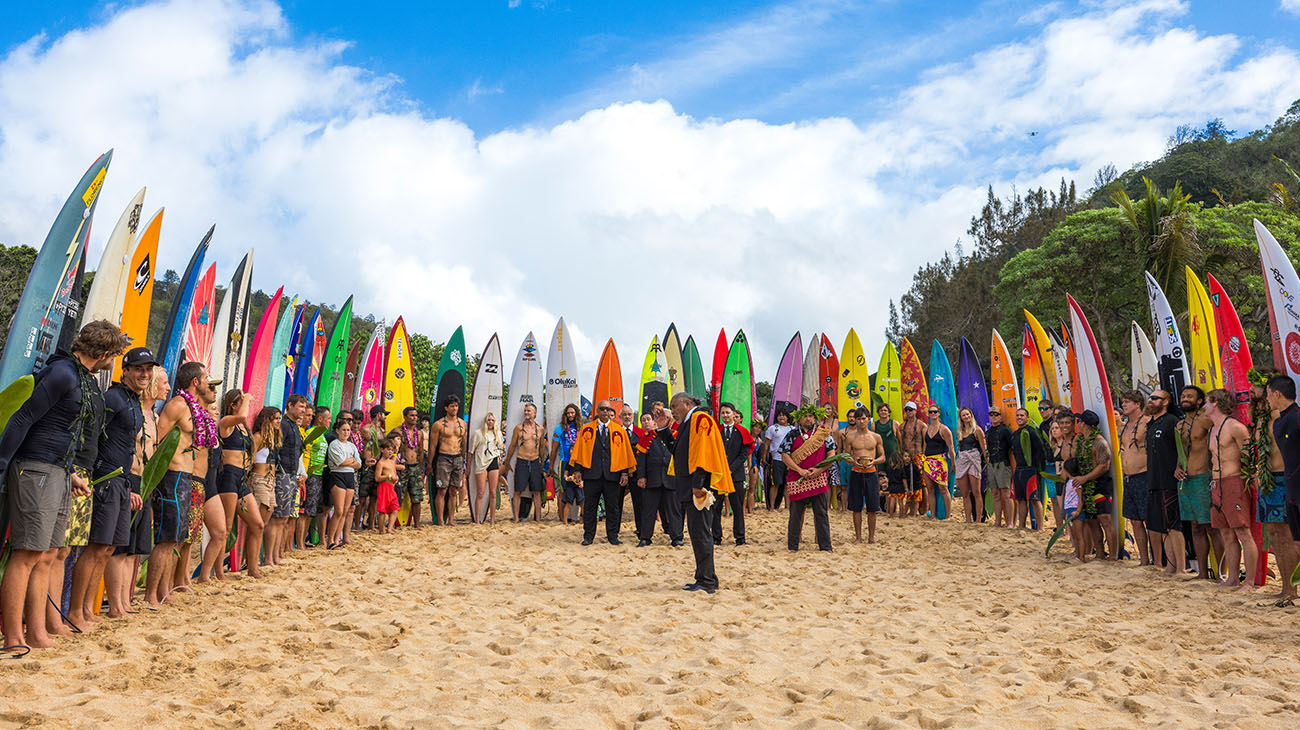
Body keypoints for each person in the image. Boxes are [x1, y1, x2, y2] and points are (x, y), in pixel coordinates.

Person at [0, 321, 127, 651]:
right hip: (35, 468)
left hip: (58, 470)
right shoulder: (62, 373)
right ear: (106, 353)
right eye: (115, 354)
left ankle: (37, 631)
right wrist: (1, 463)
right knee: (26, 554)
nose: (114, 360)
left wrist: (69, 472)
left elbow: (63, 433)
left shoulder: (81, 378)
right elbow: (24, 417)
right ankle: (14, 636)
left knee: (49, 552)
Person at [67, 347, 155, 628]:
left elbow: (127, 448)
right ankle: (75, 612)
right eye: (139, 369)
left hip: (121, 481)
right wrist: (95, 475)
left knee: (108, 549)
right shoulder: (114, 398)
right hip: (104, 480)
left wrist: (128, 485)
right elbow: (92, 436)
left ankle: (88, 610)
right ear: (125, 371)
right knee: (95, 547)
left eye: (148, 369)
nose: (144, 374)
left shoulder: (133, 401)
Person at [147, 361, 215, 606]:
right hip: (172, 477)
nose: (208, 382)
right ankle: (150, 595)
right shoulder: (177, 405)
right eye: (206, 377)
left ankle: (164, 590)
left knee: (175, 538)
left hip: (187, 478)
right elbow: (156, 439)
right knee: (166, 538)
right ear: (195, 382)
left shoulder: (193, 407)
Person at [105, 367, 168, 617]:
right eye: (163, 382)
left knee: (135, 548)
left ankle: (125, 600)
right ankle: (116, 603)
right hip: (127, 477)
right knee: (120, 546)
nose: (168, 386)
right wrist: (129, 484)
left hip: (146, 481)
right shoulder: (134, 411)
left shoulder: (152, 414)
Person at [652, 392, 730, 593]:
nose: (672, 411)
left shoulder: (700, 418)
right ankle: (702, 577)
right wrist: (662, 428)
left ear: (687, 404)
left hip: (699, 487)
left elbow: (703, 453)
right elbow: (678, 452)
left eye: (674, 406)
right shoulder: (689, 422)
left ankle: (708, 581)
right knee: (697, 533)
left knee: (702, 532)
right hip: (689, 486)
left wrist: (698, 484)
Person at [1248, 375, 1297, 600]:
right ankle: (1285, 586)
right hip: (1267, 480)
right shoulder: (1261, 417)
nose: (1252, 393)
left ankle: (1291, 588)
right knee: (1274, 534)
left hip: (1284, 479)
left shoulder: (1282, 415)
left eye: (1258, 390)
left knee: (1287, 536)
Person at [1203, 388, 1257, 590]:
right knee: (1226, 533)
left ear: (1215, 402)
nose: (1204, 406)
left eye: (1207, 402)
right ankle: (1233, 578)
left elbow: (1249, 456)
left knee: (1243, 532)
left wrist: (1251, 481)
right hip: (1216, 484)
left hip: (1233, 481)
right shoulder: (1212, 429)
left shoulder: (1235, 427)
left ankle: (1249, 581)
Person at [569, 400, 635, 545]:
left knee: (613, 507)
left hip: (612, 475)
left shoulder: (619, 430)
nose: (605, 411)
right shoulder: (587, 429)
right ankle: (588, 536)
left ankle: (613, 536)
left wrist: (624, 473)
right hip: (592, 475)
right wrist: (578, 470)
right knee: (590, 507)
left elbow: (624, 453)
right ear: (597, 411)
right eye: (602, 409)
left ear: (611, 412)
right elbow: (580, 450)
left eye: (608, 409)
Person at [1176, 386, 1221, 579]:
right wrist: (1177, 468)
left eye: (1190, 396)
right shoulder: (1178, 426)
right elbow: (1181, 453)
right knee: (1195, 526)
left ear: (1199, 401)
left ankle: (1221, 574)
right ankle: (1202, 573)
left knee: (1212, 526)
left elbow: (1218, 444)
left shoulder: (1206, 420)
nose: (1185, 399)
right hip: (1186, 481)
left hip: (1204, 478)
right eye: (1183, 396)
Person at [780, 406, 837, 551]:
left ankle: (825, 546)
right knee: (795, 514)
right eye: (805, 416)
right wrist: (799, 470)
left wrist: (819, 470)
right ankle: (793, 546)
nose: (808, 419)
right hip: (796, 477)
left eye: (811, 416)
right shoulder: (792, 434)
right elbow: (785, 455)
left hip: (818, 478)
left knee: (821, 513)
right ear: (799, 418)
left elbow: (832, 454)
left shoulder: (823, 434)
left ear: (815, 418)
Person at [1145, 390, 1187, 574]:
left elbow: (1182, 447)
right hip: (1154, 479)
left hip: (1169, 480)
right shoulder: (1152, 424)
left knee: (1174, 525)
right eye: (1150, 398)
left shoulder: (1171, 421)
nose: (1150, 400)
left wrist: (1178, 467)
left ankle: (1181, 568)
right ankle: (1170, 566)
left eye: (1155, 398)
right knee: (1163, 526)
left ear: (1166, 402)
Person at [1267, 374, 1300, 602]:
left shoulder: (1297, 418)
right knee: (1296, 541)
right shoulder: (1279, 421)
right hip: (1292, 487)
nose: (1267, 400)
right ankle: (1291, 589)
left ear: (1277, 394)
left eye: (1268, 395)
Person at [1073, 410, 1117, 558]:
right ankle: (1099, 554)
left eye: (1079, 421)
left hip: (1101, 484)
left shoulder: (1099, 441)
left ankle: (1113, 556)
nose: (1077, 424)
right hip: (1086, 484)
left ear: (1083, 423)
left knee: (1105, 519)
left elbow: (1104, 465)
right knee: (1092, 520)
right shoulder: (1080, 440)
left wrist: (1085, 478)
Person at [271, 395, 309, 562]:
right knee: (278, 517)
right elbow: (276, 450)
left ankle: (279, 551)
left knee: (286, 517)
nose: (303, 410)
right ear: (290, 405)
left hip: (293, 475)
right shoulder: (284, 425)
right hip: (282, 474)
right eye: (300, 407)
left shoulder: (294, 426)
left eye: (304, 407)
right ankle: (272, 555)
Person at [1118, 390, 1153, 565]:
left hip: (1144, 475)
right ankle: (1144, 559)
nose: (1124, 405)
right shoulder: (1124, 426)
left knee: (1148, 519)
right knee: (1135, 520)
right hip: (1128, 477)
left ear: (1138, 404)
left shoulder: (1147, 423)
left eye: (1127, 402)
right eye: (1123, 402)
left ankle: (1157, 558)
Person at [634, 412, 679, 546]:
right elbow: (641, 459)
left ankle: (676, 537)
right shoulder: (647, 437)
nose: (661, 420)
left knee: (673, 510)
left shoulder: (676, 435)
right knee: (648, 510)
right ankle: (645, 537)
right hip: (652, 479)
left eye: (664, 418)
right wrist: (641, 476)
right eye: (658, 418)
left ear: (670, 420)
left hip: (671, 479)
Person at [245, 406, 281, 569]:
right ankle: (250, 561)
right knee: (257, 523)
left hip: (269, 482)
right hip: (259, 480)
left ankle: (255, 559)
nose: (278, 421)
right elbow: (249, 459)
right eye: (275, 418)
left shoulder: (270, 438)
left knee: (264, 522)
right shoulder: (258, 437)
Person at [844, 407, 885, 543]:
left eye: (863, 418)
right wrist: (854, 461)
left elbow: (883, 457)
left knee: (872, 507)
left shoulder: (876, 437)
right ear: (855, 420)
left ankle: (871, 537)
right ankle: (858, 537)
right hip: (856, 472)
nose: (861, 421)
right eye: (858, 419)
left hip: (871, 473)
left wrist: (874, 461)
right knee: (856, 507)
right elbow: (846, 456)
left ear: (868, 419)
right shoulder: (850, 437)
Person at [715, 402, 752, 546]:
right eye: (723, 413)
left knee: (737, 507)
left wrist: (731, 469)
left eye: (728, 413)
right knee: (716, 507)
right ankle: (716, 537)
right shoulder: (716, 431)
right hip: (718, 475)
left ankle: (740, 538)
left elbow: (744, 454)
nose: (725, 415)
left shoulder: (742, 431)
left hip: (736, 475)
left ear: (733, 414)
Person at [429, 396, 467, 527]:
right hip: (443, 457)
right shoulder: (439, 424)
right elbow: (432, 446)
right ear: (446, 408)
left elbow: (464, 444)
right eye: (452, 406)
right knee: (442, 490)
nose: (454, 408)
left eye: (456, 406)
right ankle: (440, 520)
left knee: (453, 491)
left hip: (457, 458)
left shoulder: (462, 424)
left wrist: (464, 461)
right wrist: (429, 464)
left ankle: (451, 519)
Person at [503, 403, 545, 522]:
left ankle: (538, 518)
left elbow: (541, 447)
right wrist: (507, 461)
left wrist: (542, 462)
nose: (526, 413)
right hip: (522, 460)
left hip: (535, 461)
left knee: (536, 491)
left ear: (535, 413)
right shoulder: (518, 428)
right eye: (525, 411)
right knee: (518, 490)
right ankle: (516, 517)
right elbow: (512, 446)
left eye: (529, 411)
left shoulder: (540, 429)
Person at [325, 418, 361, 547]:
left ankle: (337, 539)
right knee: (338, 510)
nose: (346, 432)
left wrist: (350, 461)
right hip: (337, 475)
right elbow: (340, 462)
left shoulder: (351, 445)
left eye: (348, 430)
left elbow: (359, 464)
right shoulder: (334, 444)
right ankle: (330, 540)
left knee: (345, 511)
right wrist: (351, 461)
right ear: (337, 431)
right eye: (343, 430)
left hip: (350, 476)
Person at [386, 406, 424, 528]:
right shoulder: (397, 432)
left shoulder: (419, 433)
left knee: (417, 497)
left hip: (415, 466)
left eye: (416, 415)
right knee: (398, 495)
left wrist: (422, 469)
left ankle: (417, 524)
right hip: (401, 467)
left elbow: (421, 451)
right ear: (405, 416)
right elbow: (388, 447)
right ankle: (393, 523)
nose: (415, 418)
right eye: (412, 415)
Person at [1011, 408, 1047, 530]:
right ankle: (1021, 526)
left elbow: (1040, 450)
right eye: (1017, 415)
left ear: (1027, 417)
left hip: (1031, 470)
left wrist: (1039, 469)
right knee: (1020, 499)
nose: (1019, 417)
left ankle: (1040, 527)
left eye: (1022, 415)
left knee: (1034, 499)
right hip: (1019, 469)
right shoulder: (1015, 434)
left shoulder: (1031, 431)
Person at [355, 405, 387, 532]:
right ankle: (357, 524)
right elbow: (360, 447)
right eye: (384, 414)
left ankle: (371, 524)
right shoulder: (366, 429)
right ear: (379, 415)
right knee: (362, 497)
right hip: (367, 466)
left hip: (378, 466)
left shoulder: (382, 431)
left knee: (374, 498)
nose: (385, 417)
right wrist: (363, 461)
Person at [302, 406, 331, 543]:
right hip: (311, 474)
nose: (330, 421)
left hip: (319, 475)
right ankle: (300, 541)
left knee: (313, 510)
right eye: (328, 418)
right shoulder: (312, 433)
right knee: (307, 510)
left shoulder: (322, 435)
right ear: (320, 419)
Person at [468, 411, 504, 524]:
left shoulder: (498, 434)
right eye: (488, 420)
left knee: (493, 492)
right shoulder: (478, 434)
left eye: (492, 420)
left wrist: (501, 461)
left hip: (493, 462)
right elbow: (471, 452)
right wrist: (468, 467)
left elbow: (501, 449)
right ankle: (477, 519)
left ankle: (492, 519)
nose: (490, 422)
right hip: (481, 463)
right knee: (480, 492)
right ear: (485, 421)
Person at [920, 404, 954, 519]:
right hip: (928, 460)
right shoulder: (925, 429)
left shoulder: (944, 429)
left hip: (939, 461)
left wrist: (953, 464)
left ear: (939, 413)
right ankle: (933, 515)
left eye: (935, 412)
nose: (933, 414)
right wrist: (923, 461)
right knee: (930, 489)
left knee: (943, 488)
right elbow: (925, 446)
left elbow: (951, 448)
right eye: (930, 412)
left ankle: (948, 515)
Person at [550, 403, 582, 525]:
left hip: (578, 463)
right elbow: (554, 449)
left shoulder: (581, 427)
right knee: (563, 489)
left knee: (579, 488)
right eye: (568, 413)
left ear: (576, 414)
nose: (570, 415)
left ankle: (579, 516)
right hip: (564, 461)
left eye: (572, 413)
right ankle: (561, 516)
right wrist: (551, 466)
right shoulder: (560, 429)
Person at [954, 408, 986, 523]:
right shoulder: (959, 431)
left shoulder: (977, 430)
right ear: (961, 418)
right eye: (963, 415)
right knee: (965, 493)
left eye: (967, 414)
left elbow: (983, 448)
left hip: (974, 458)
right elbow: (958, 447)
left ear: (971, 415)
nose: (966, 417)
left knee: (976, 492)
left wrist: (987, 460)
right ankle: (968, 519)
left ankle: (978, 519)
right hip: (962, 459)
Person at [870, 403, 903, 514]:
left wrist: (901, 454)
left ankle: (892, 509)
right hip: (880, 456)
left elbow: (900, 440)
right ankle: (879, 506)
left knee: (892, 482)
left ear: (889, 412)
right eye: (881, 410)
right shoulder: (874, 425)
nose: (883, 412)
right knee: (880, 481)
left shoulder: (894, 423)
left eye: (885, 410)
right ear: (878, 412)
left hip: (892, 457)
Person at [985, 408, 1014, 527]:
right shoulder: (988, 432)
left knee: (1006, 494)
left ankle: (1011, 522)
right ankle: (998, 521)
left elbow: (1012, 448)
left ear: (1001, 417)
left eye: (996, 414)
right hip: (991, 464)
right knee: (995, 493)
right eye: (991, 414)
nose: (993, 416)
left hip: (1003, 463)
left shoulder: (1006, 431)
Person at [761, 408, 795, 509]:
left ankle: (787, 507)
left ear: (788, 417)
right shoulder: (772, 428)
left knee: (788, 484)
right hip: (776, 459)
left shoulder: (793, 429)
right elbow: (766, 444)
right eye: (779, 415)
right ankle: (771, 506)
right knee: (776, 483)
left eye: (784, 415)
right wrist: (764, 458)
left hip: (790, 460)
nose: (781, 417)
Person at [900, 401, 927, 516]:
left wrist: (924, 455)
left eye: (911, 410)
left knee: (922, 484)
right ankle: (911, 509)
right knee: (908, 483)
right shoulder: (902, 426)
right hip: (907, 457)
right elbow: (901, 443)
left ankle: (925, 510)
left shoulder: (922, 425)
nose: (909, 412)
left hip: (918, 455)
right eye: (907, 410)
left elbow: (926, 442)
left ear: (915, 411)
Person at [619, 404, 641, 533]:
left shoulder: (640, 433)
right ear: (620, 417)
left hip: (637, 474)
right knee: (616, 504)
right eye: (624, 415)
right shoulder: (615, 432)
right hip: (619, 474)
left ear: (633, 416)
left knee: (639, 504)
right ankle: (614, 531)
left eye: (629, 414)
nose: (627, 417)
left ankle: (640, 530)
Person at [374, 438, 400, 533]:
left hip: (392, 487)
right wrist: (387, 476)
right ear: (382, 450)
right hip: (384, 487)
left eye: (391, 450)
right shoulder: (381, 463)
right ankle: (381, 530)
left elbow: (394, 473)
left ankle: (389, 527)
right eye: (388, 449)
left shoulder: (392, 462)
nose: (390, 452)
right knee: (382, 510)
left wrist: (395, 478)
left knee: (395, 508)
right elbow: (377, 478)